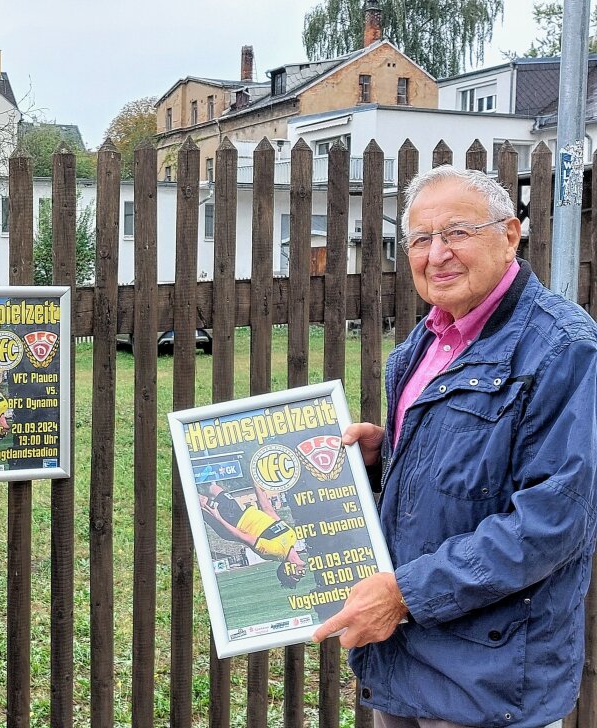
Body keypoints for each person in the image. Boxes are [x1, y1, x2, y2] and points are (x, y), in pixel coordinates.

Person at [311, 166, 597, 728]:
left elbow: (553, 523)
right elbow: (470, 473)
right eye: (421, 238)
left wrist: (406, 594)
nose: (436, 253)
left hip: (487, 681)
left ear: (510, 234)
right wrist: (384, 458)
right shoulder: (427, 342)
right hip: (405, 664)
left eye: (458, 232)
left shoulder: (564, 349)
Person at [199, 482, 307, 588]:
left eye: (296, 577)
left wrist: (217, 517)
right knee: (212, 488)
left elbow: (241, 536)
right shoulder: (292, 537)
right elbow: (269, 510)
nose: (302, 574)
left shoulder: (276, 552)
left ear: (287, 569)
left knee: (201, 501)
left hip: (233, 522)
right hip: (240, 511)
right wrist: (256, 484)